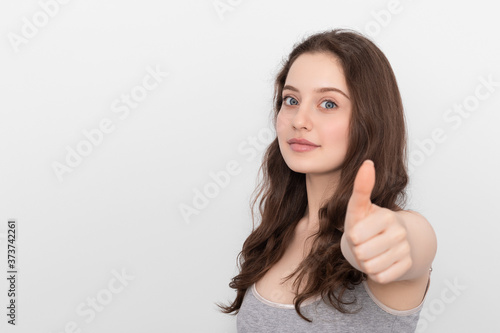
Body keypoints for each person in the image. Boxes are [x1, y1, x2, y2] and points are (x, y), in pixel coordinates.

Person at [216, 29, 437, 332]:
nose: (299, 120)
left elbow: (411, 242)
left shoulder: (394, 231)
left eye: (328, 104)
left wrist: (373, 241)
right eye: (291, 99)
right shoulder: (278, 234)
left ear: (370, 119)